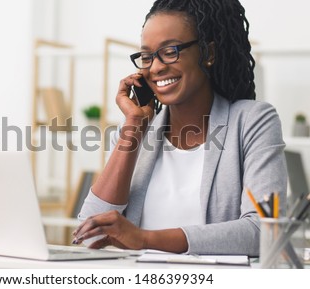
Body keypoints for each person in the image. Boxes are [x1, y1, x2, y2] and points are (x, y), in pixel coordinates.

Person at [73, 0, 287, 256]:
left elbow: (264, 231)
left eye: (170, 51)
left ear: (208, 54)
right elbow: (90, 234)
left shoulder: (252, 121)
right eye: (146, 56)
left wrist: (143, 239)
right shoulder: (139, 129)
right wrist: (134, 126)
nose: (155, 67)